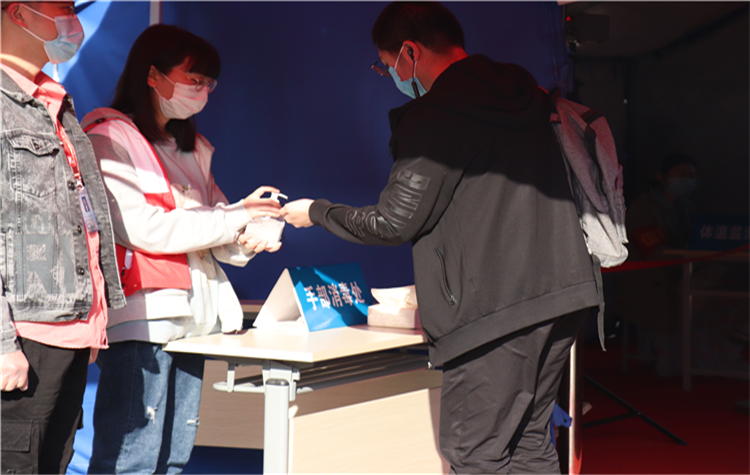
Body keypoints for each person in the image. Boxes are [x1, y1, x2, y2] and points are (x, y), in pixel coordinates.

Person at [282, 2, 600, 473]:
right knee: (530, 442)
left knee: (473, 451)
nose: (391, 76)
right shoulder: (527, 93)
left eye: (388, 65)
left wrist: (316, 212)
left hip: (496, 308)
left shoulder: (436, 115)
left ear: (410, 51)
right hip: (564, 292)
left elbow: (395, 222)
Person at [80, 24, 282, 473]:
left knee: (173, 457)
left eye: (209, 83)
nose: (202, 90)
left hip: (196, 319)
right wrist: (236, 217)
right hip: (144, 318)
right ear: (152, 75)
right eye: (194, 79)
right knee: (130, 458)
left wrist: (253, 232)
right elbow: (144, 229)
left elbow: (216, 233)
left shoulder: (192, 149)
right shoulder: (108, 137)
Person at [1, 2, 126, 473]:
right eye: (63, 7)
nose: (72, 20)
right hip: (24, 333)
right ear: (19, 13)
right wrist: (2, 344)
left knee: (53, 460)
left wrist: (92, 318)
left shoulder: (54, 101)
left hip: (67, 329)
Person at [613, 153, 696, 375]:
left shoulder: (685, 207)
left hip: (677, 273)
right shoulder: (644, 207)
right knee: (670, 302)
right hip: (650, 280)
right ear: (662, 177)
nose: (687, 180)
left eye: (691, 176)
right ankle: (665, 359)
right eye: (681, 175)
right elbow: (654, 253)